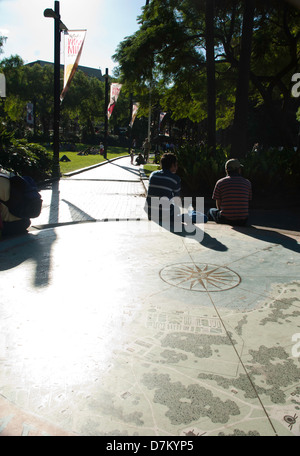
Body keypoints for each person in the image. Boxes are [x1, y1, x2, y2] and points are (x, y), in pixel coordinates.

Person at [145, 152, 207, 229]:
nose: (177, 167)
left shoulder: (153, 175)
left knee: (174, 208)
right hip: (165, 216)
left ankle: (190, 212)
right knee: (204, 218)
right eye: (176, 165)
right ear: (172, 165)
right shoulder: (175, 179)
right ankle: (191, 213)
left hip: (151, 214)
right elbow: (177, 199)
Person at [207, 158, 252, 226]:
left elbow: (218, 203)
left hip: (225, 219)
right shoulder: (247, 183)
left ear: (226, 170)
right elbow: (248, 199)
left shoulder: (220, 182)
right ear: (239, 170)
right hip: (243, 220)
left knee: (211, 211)